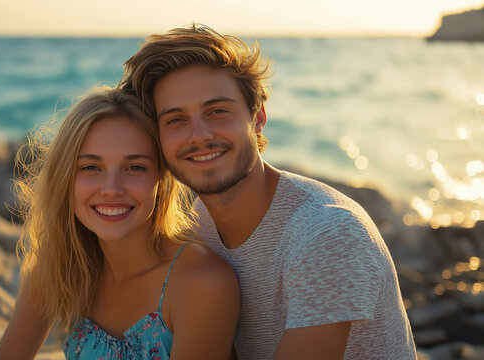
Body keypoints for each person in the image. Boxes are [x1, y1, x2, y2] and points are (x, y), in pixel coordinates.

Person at [119, 24, 417, 359]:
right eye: (175, 120)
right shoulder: (199, 225)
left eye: (217, 111)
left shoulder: (327, 233)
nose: (199, 135)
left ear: (257, 117)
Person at [0, 87, 240, 359]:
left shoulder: (201, 283)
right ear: (64, 178)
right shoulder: (58, 265)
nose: (111, 189)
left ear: (162, 178)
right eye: (90, 167)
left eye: (134, 167)